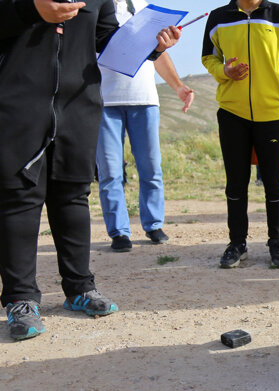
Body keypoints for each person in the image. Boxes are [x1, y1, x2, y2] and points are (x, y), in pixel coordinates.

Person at [0, 0, 180, 340]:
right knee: (19, 198)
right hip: (17, 101)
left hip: (79, 104)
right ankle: (21, 299)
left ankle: (80, 288)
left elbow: (110, 43)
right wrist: (31, 11)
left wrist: (152, 46)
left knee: (73, 194)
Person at [202, 0, 279, 269]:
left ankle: (276, 243)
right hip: (232, 112)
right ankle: (237, 244)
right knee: (235, 182)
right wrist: (224, 71)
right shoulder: (220, 17)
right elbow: (207, 57)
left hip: (272, 112)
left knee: (274, 182)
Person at [97, 0, 195, 253]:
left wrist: (179, 87)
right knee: (110, 171)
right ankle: (119, 232)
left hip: (144, 99)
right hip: (104, 100)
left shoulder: (144, 7)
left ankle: (153, 225)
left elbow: (158, 54)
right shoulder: (94, 6)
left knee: (151, 168)